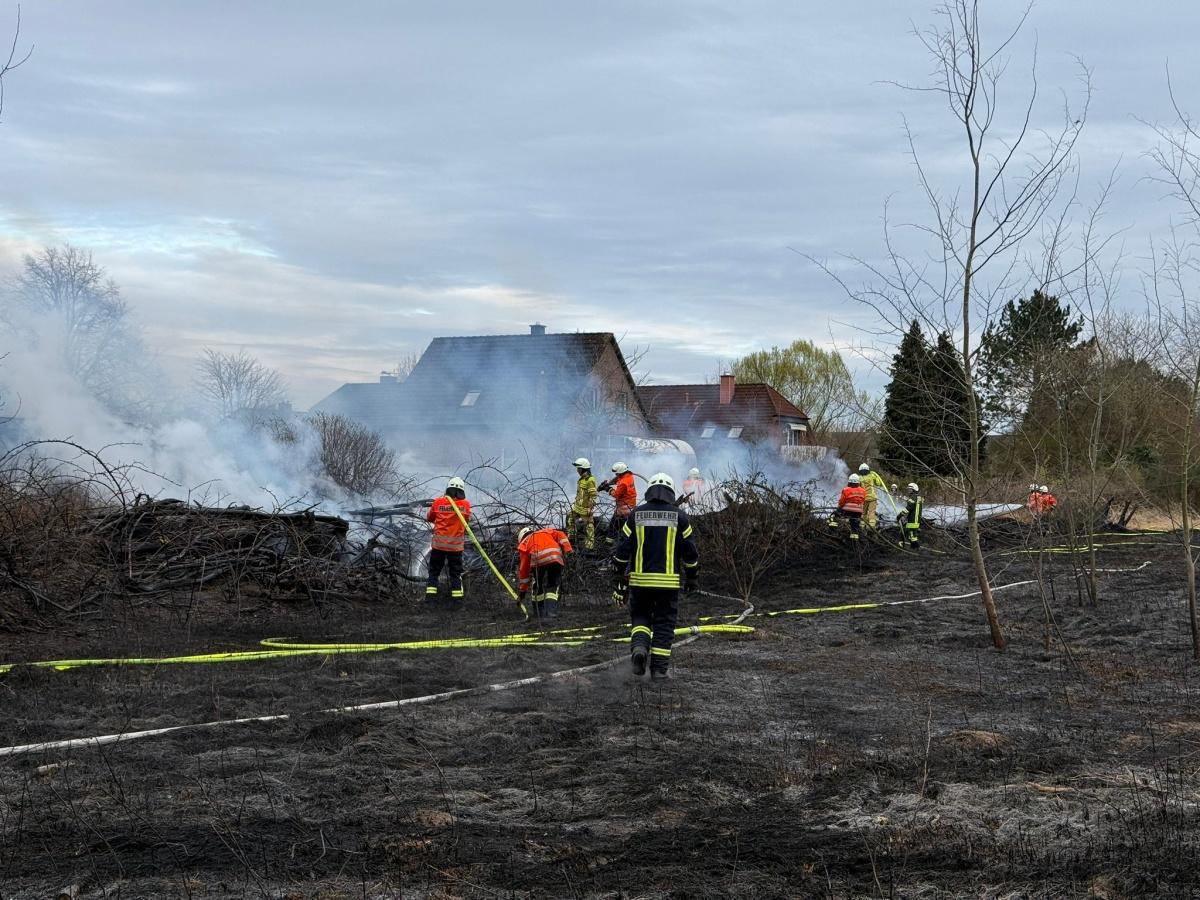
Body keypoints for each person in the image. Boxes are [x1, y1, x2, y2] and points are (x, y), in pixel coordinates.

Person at [613, 472, 699, 681]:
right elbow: (690, 552)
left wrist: (618, 577)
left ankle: (640, 649)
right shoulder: (680, 517)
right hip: (668, 584)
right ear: (670, 492)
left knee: (640, 617)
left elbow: (622, 550)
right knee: (663, 624)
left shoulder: (635, 515)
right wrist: (692, 577)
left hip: (640, 582)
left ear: (650, 490)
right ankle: (659, 671)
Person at [426, 476, 471, 601]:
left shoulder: (438, 502)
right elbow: (466, 521)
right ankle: (457, 601)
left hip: (438, 546)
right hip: (455, 548)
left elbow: (429, 518)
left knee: (434, 572)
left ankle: (430, 599)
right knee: (455, 574)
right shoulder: (465, 505)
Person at [516, 525, 573, 619]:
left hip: (538, 561)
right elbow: (561, 534)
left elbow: (524, 570)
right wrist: (568, 549)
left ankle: (538, 612)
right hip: (555, 558)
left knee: (537, 586)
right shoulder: (546, 531)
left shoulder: (524, 543)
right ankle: (551, 612)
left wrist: (522, 592)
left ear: (521, 537)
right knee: (553, 586)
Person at [602, 461, 637, 546]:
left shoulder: (624, 483)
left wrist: (608, 489)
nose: (616, 475)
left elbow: (616, 494)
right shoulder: (629, 476)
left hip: (624, 508)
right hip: (631, 505)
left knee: (613, 526)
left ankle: (608, 544)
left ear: (620, 473)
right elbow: (617, 479)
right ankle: (624, 542)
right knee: (626, 527)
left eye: (617, 473)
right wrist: (608, 483)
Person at [566, 457, 598, 550]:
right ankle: (571, 539)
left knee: (589, 527)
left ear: (583, 469)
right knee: (570, 518)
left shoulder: (590, 480)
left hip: (585, 509)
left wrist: (590, 508)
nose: (577, 470)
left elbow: (593, 495)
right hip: (577, 507)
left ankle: (589, 547)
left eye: (578, 468)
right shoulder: (582, 479)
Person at [836, 473, 867, 541]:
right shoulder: (863, 490)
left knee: (835, 516)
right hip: (858, 511)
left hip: (848, 510)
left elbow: (842, 501)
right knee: (854, 523)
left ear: (849, 482)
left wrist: (838, 509)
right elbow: (863, 500)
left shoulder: (846, 489)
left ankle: (834, 529)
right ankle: (854, 537)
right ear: (858, 482)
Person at [857, 463, 888, 528]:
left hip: (864, 498)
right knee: (871, 513)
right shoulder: (872, 476)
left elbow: (857, 488)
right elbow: (878, 483)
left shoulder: (859, 478)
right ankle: (871, 528)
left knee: (863, 513)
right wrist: (876, 476)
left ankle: (862, 526)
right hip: (872, 498)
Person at [897, 482, 923, 548]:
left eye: (910, 489)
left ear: (914, 489)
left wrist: (900, 515)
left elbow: (908, 508)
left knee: (904, 530)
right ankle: (915, 548)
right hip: (916, 520)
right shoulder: (918, 497)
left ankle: (901, 544)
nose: (908, 491)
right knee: (912, 535)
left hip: (913, 520)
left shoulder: (914, 497)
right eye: (908, 489)